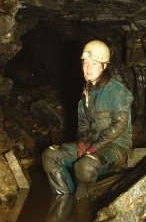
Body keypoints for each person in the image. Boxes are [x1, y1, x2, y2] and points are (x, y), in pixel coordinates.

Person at [41, 40, 133, 200]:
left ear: (104, 66)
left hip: (116, 147)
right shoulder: (86, 93)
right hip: (92, 144)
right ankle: (62, 202)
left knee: (85, 165)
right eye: (85, 63)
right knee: (50, 156)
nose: (88, 68)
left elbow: (120, 126)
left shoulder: (116, 91)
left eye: (94, 64)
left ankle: (83, 205)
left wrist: (93, 148)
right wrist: (82, 143)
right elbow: (83, 123)